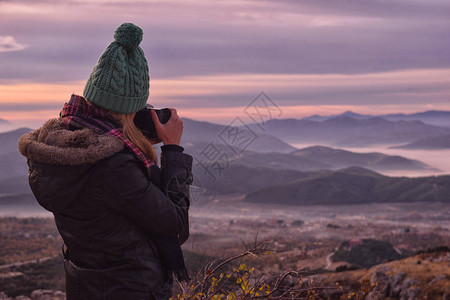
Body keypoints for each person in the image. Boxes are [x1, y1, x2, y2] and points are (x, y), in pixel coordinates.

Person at [18, 23, 193, 300]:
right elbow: (175, 226)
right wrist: (173, 150)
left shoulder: (58, 147)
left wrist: (132, 135)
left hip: (85, 285)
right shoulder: (115, 166)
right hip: (131, 288)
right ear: (131, 112)